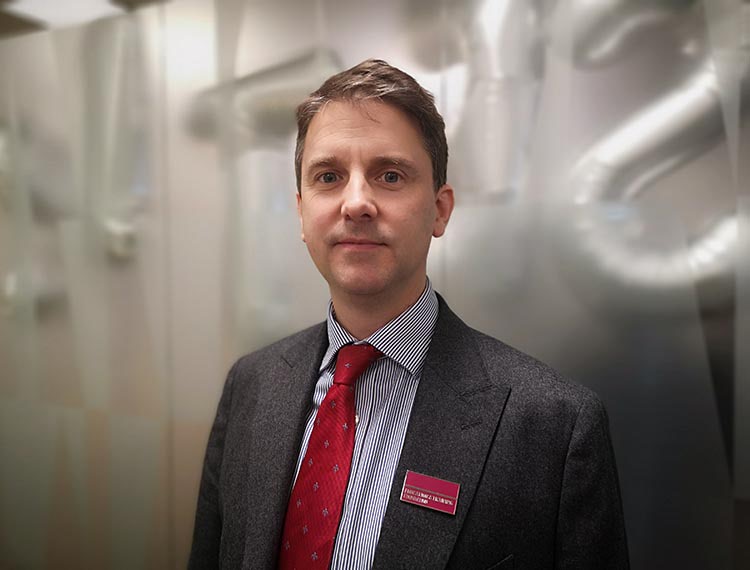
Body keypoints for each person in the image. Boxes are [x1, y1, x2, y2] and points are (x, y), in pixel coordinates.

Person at [188, 59, 629, 570]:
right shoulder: (250, 386)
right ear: (302, 211)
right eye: (329, 177)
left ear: (440, 210)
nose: (356, 203)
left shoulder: (555, 426)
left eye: (390, 175)